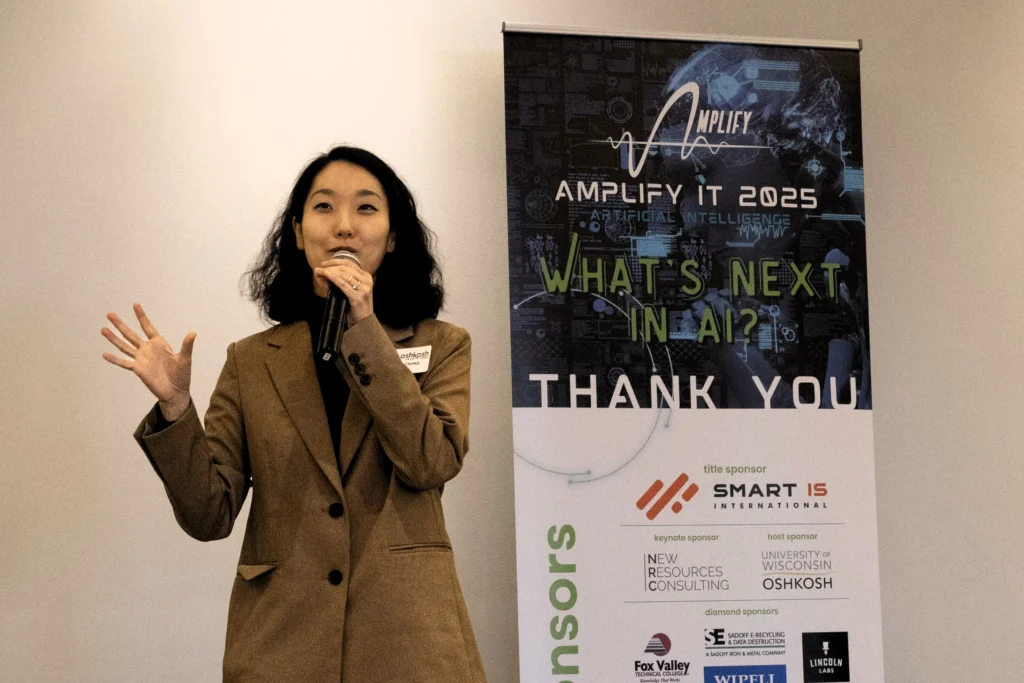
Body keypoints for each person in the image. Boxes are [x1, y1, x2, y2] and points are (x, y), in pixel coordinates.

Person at [101, 146, 487, 683]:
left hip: (408, 641)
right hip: (281, 644)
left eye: (367, 209)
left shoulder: (442, 345)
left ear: (394, 237)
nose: (345, 226)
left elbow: (430, 462)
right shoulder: (253, 360)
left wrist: (364, 328)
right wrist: (175, 407)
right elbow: (208, 515)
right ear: (300, 231)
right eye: (324, 207)